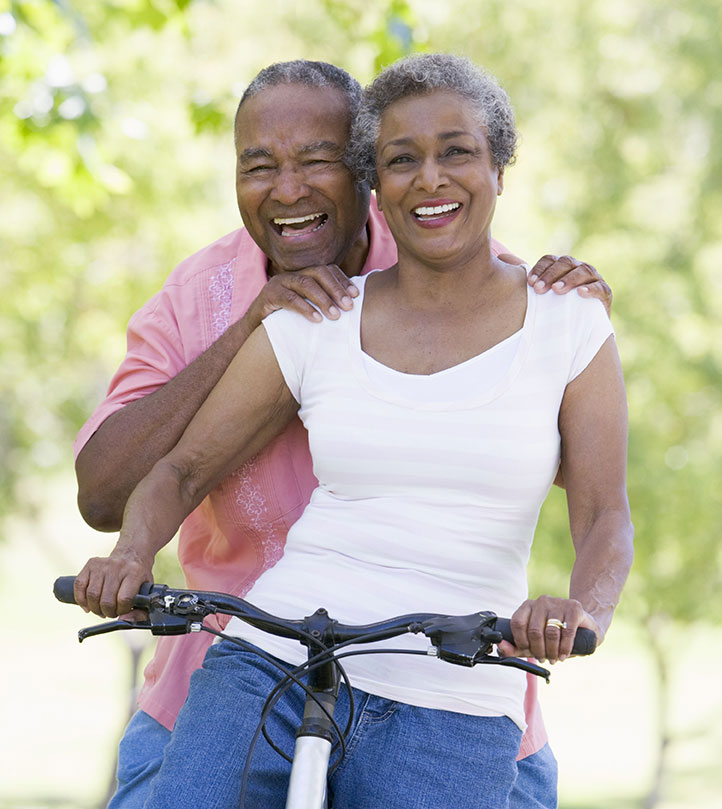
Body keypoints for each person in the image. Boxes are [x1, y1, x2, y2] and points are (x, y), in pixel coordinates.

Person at [74, 60, 614, 808]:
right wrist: (131, 553)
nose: (289, 188)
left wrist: (583, 605)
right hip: (263, 655)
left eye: (456, 152)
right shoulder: (280, 310)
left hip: (453, 679)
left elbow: (592, 496)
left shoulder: (553, 312)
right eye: (260, 166)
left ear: (499, 165)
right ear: (380, 176)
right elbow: (163, 473)